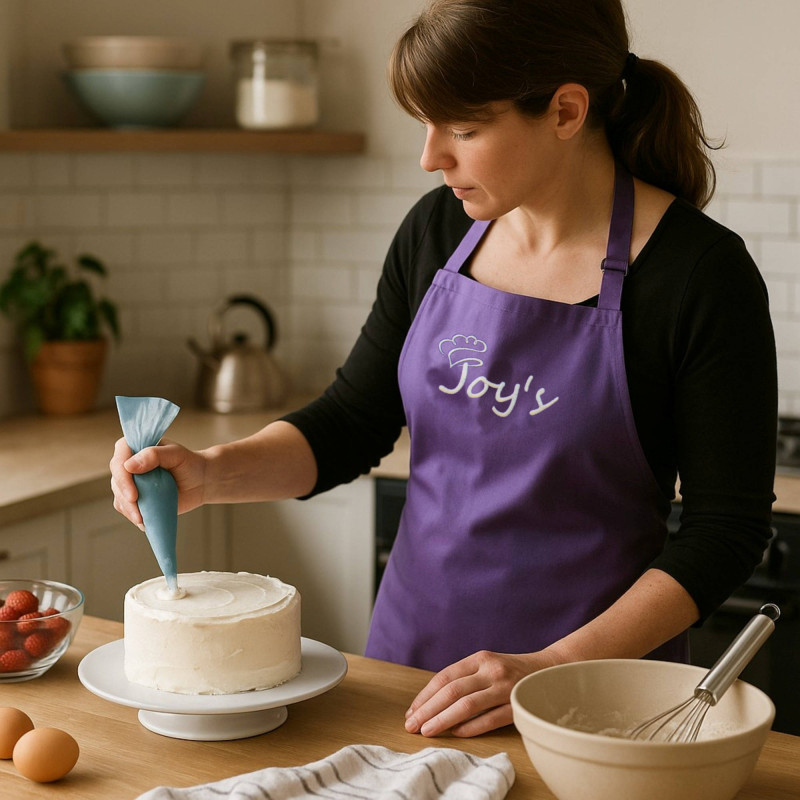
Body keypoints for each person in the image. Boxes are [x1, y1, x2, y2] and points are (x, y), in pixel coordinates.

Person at [110, 0, 777, 739]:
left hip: (592, 698)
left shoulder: (699, 275)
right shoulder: (435, 231)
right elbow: (352, 421)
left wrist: (551, 665)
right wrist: (210, 473)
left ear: (565, 110)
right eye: (426, 125)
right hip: (410, 675)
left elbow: (726, 531)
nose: (431, 157)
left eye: (463, 128)